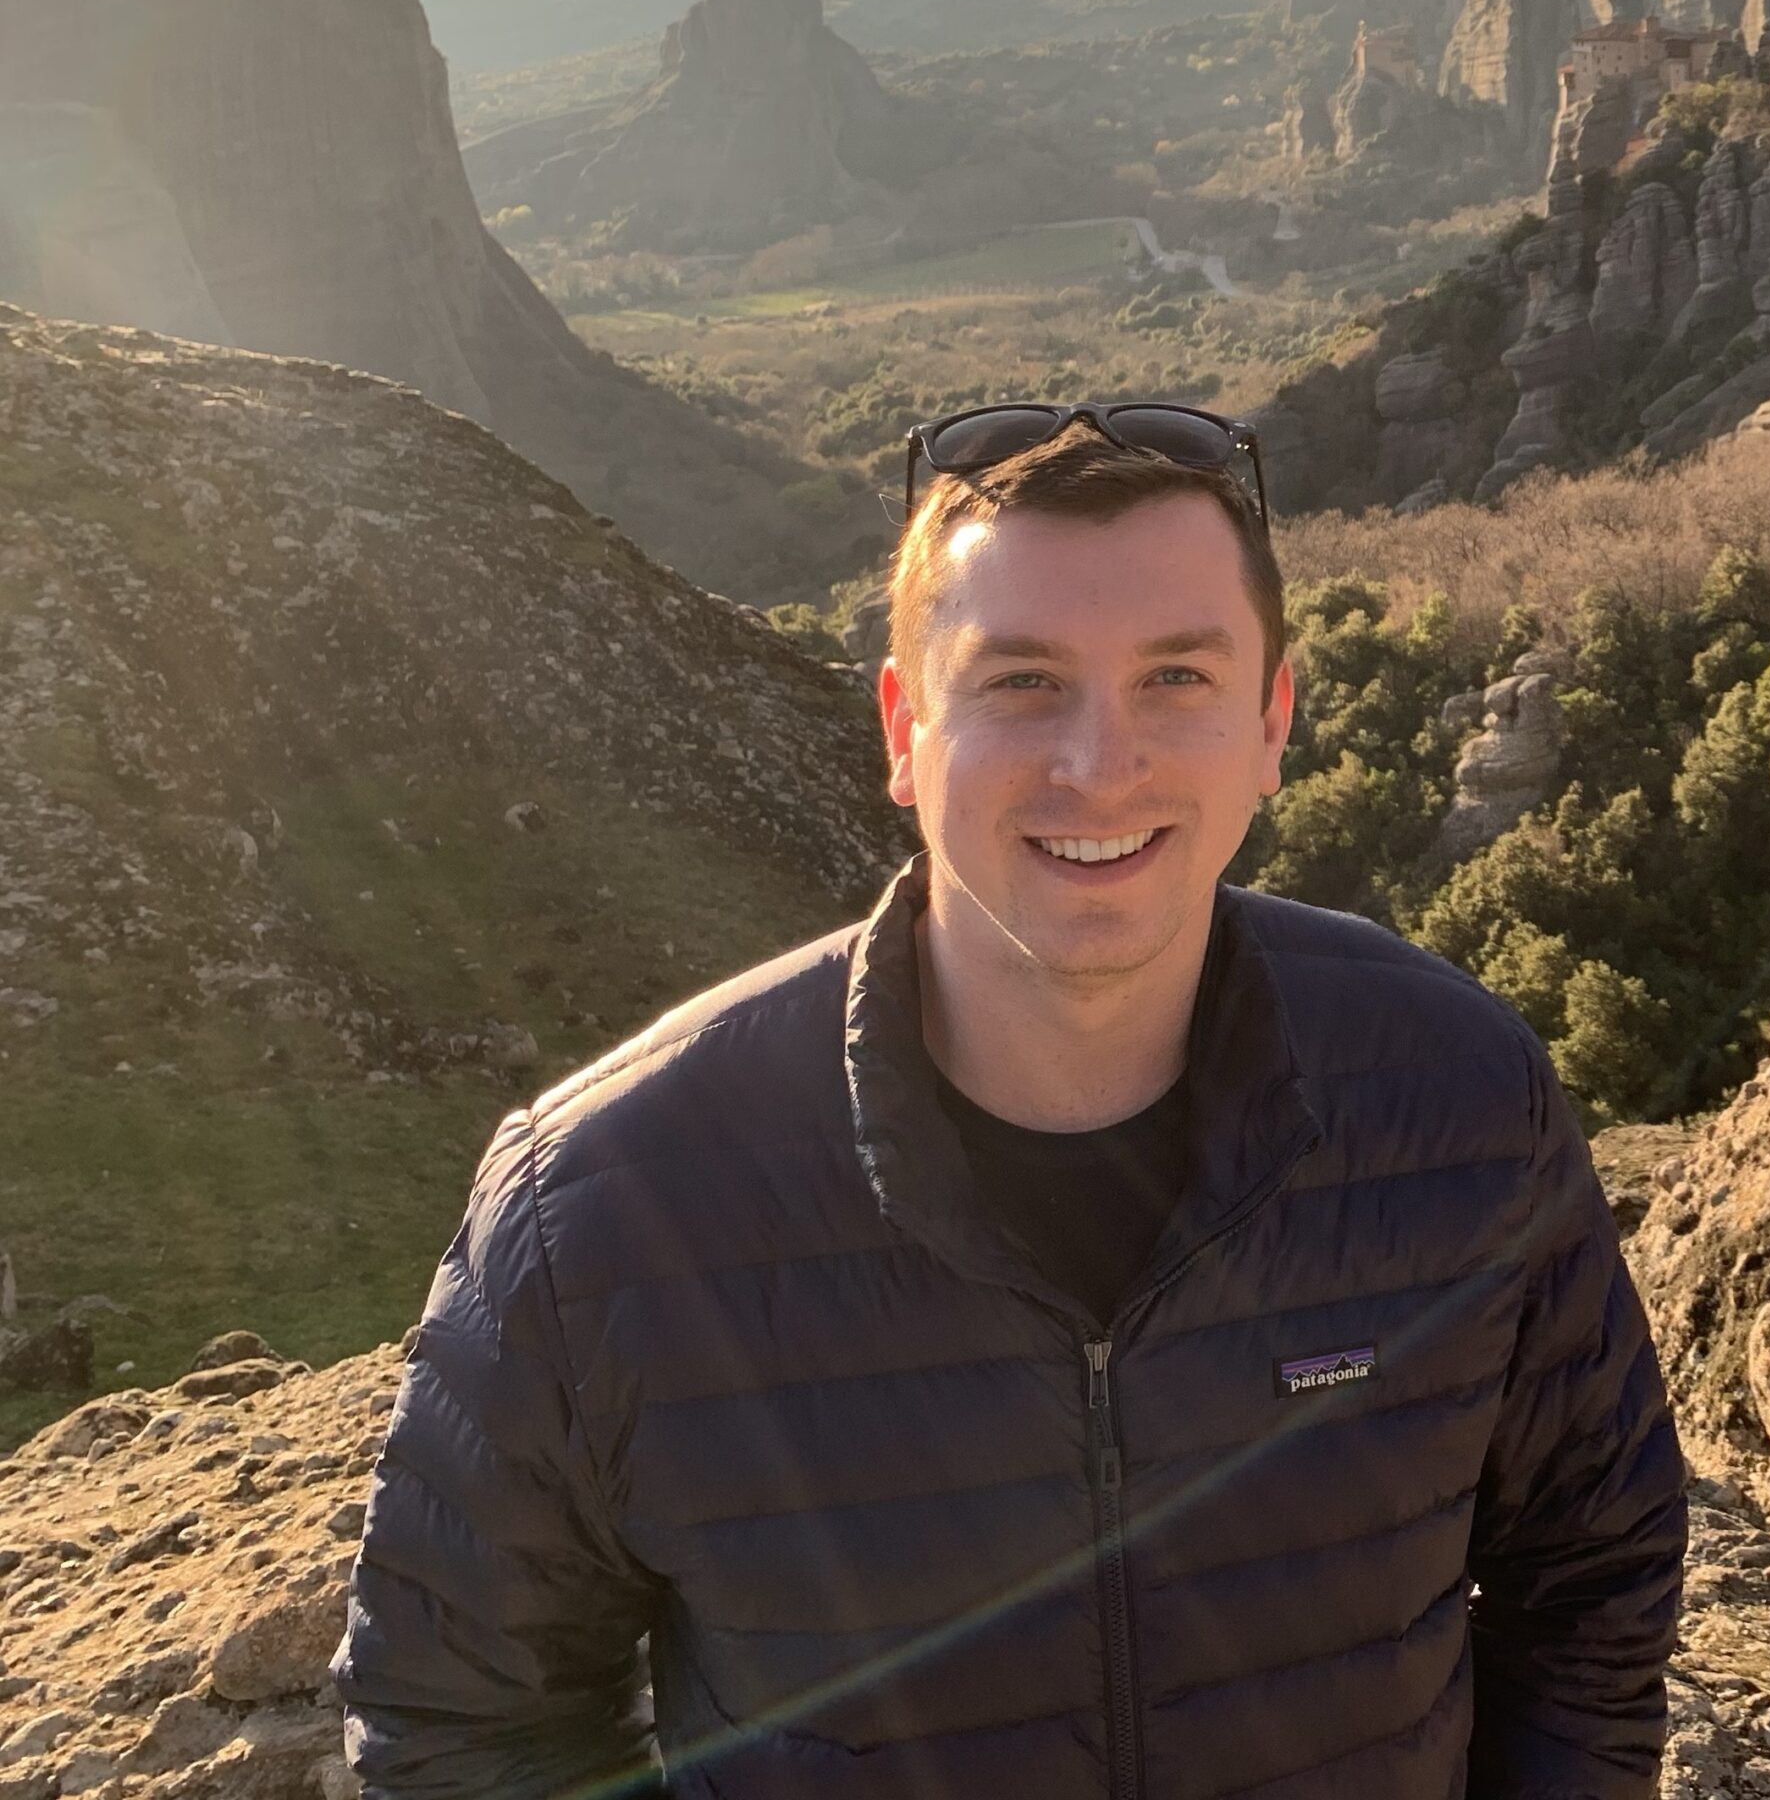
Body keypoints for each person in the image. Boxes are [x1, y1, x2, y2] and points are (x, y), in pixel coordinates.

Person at [335, 400, 1686, 1800]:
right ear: (906, 729)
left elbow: (1590, 1573)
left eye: (1177, 678)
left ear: (1273, 720)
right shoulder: (599, 1210)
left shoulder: (1459, 1105)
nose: (1100, 765)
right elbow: (467, 1727)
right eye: (1022, 681)